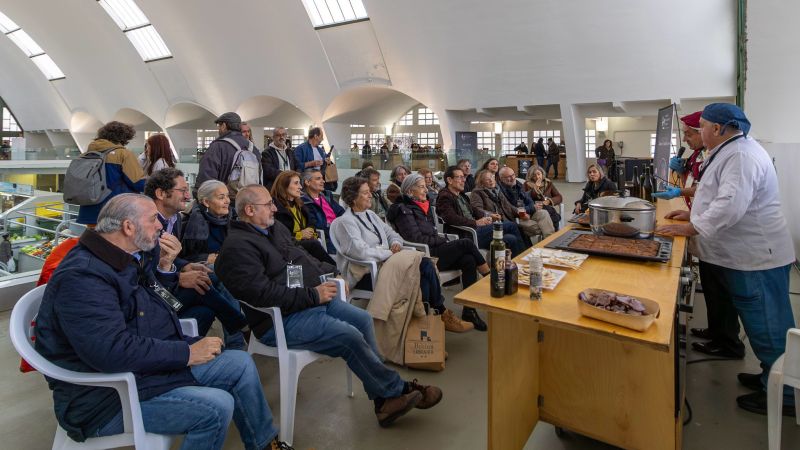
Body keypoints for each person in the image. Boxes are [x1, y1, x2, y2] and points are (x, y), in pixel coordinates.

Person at [34, 194, 287, 450]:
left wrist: (165, 267)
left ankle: (264, 444)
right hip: (106, 399)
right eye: (153, 219)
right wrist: (186, 352)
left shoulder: (124, 257)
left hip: (145, 372)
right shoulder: (84, 276)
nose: (160, 226)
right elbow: (110, 351)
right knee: (216, 407)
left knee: (240, 362)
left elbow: (154, 305)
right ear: (128, 227)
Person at [216, 185, 442, 427]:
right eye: (268, 204)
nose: (274, 208)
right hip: (281, 321)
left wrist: (334, 273)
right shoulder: (237, 248)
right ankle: (396, 389)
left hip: (310, 302)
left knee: (363, 320)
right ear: (249, 210)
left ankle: (384, 400)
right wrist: (313, 295)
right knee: (349, 336)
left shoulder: (274, 230)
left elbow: (303, 256)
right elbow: (262, 294)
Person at [656, 103, 796, 416]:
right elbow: (716, 195)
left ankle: (786, 395)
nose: (696, 133)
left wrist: (690, 226)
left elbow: (731, 205)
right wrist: (692, 213)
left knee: (769, 327)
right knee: (760, 325)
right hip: (744, 256)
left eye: (701, 126)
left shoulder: (742, 156)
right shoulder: (730, 151)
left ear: (718, 128)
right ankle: (768, 377)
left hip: (757, 258)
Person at [331, 177, 457, 328]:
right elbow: (360, 252)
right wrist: (388, 253)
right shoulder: (345, 222)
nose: (371, 195)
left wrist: (396, 243)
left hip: (387, 264)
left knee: (422, 272)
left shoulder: (370, 215)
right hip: (367, 273)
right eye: (365, 193)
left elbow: (392, 234)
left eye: (369, 192)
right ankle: (436, 317)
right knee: (424, 265)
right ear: (353, 197)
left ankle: (424, 325)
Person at [144, 171, 247, 349]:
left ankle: (187, 351)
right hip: (156, 298)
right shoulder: (143, 224)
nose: (188, 195)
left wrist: (186, 265)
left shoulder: (174, 218)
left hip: (166, 289)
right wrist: (176, 278)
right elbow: (143, 276)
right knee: (205, 282)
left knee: (204, 311)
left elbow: (172, 260)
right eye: (182, 190)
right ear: (161, 194)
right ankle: (241, 327)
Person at [387, 173, 488, 332]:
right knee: (466, 243)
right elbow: (417, 239)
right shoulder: (403, 210)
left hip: (434, 249)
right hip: (425, 255)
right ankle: (489, 276)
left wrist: (440, 239)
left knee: (468, 259)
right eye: (421, 186)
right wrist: (443, 240)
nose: (425, 189)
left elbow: (431, 234)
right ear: (409, 191)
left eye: (425, 186)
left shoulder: (421, 206)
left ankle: (469, 310)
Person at [436, 166, 526, 256]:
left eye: (463, 177)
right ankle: (524, 258)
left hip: (476, 230)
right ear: (449, 180)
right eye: (459, 177)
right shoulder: (445, 196)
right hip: (467, 234)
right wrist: (476, 222)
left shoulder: (461, 195)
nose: (463, 180)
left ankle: (512, 266)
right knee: (510, 225)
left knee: (511, 238)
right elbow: (450, 218)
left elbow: (474, 210)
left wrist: (488, 216)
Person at [77, 121, 146, 225]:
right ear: (123, 137)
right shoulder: (123, 154)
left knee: (95, 240)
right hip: (115, 212)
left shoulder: (86, 154)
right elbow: (137, 183)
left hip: (89, 211)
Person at [271, 170, 335, 265]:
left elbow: (312, 221)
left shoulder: (299, 203)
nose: (300, 187)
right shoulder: (276, 208)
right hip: (289, 246)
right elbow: (280, 235)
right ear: (284, 185)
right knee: (314, 245)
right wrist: (300, 235)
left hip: (305, 242)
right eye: (296, 183)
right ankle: (334, 271)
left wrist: (310, 229)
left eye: (299, 183)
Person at [472, 169, 553, 241]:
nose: (491, 180)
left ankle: (550, 242)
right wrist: (491, 215)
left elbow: (510, 206)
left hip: (519, 215)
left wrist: (524, 212)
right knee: (541, 226)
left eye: (492, 178)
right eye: (487, 179)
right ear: (481, 182)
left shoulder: (497, 190)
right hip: (505, 220)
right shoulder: (478, 192)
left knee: (544, 213)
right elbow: (477, 209)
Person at [196, 112, 260, 198]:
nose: (218, 129)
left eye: (219, 125)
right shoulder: (253, 148)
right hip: (248, 201)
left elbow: (206, 179)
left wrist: (199, 196)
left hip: (224, 202)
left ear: (224, 125)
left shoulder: (217, 147)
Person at [653, 111, 706, 207]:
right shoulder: (696, 154)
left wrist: (678, 192)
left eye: (688, 135)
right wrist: (681, 172)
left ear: (703, 133)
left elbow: (705, 191)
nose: (684, 139)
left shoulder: (710, 156)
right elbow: (689, 185)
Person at [498, 166, 557, 235]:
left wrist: (528, 211)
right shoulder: (500, 191)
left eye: (513, 175)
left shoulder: (518, 185)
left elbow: (529, 200)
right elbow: (511, 209)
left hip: (527, 212)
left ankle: (549, 242)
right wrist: (527, 211)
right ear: (502, 179)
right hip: (516, 217)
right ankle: (547, 240)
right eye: (508, 176)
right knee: (540, 227)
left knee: (543, 213)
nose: (512, 178)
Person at [301, 169, 344, 254]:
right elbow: (317, 225)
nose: (323, 181)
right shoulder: (304, 202)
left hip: (339, 231)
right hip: (328, 237)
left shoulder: (327, 196)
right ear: (307, 182)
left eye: (322, 178)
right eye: (318, 179)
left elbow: (341, 212)